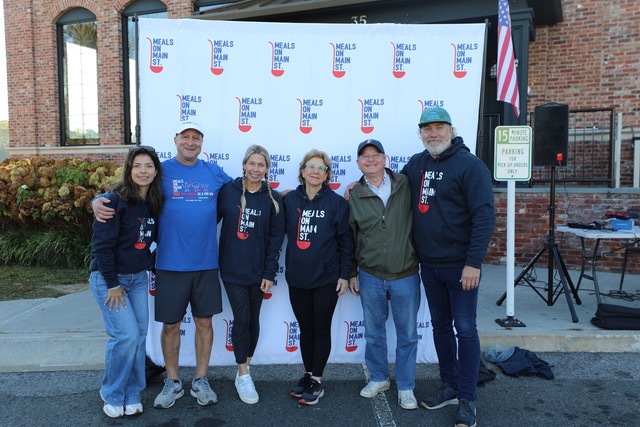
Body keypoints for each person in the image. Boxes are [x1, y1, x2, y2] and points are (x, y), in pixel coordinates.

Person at [93, 121, 233, 410]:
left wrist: (278, 196)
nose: (191, 142)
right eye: (185, 137)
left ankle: (201, 379)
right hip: (169, 264)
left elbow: (245, 190)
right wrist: (97, 200)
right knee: (170, 326)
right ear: (176, 140)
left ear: (201, 142)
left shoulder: (213, 172)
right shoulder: (161, 171)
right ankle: (172, 382)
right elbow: (127, 191)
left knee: (204, 323)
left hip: (206, 263)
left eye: (196, 137)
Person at [401, 107, 495, 427]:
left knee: (465, 329)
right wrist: (355, 187)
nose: (433, 133)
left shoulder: (471, 166)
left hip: (461, 267)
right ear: (420, 134)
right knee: (440, 326)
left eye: (439, 127)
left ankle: (468, 399)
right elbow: (390, 187)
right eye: (427, 129)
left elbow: (484, 217)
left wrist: (473, 263)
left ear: (451, 130)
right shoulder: (417, 164)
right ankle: (450, 386)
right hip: (429, 266)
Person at [90, 145, 164, 418]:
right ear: (128, 169)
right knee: (125, 336)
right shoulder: (113, 201)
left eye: (148, 166)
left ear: (156, 171)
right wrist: (112, 284)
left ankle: (132, 392)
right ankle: (111, 392)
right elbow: (101, 248)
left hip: (138, 280)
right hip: (110, 280)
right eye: (137, 166)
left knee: (139, 337)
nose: (143, 172)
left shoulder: (154, 201)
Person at [347, 139, 421, 410]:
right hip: (370, 275)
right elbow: (351, 237)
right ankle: (379, 378)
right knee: (374, 332)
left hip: (406, 273)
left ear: (385, 158)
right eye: (364, 157)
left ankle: (406, 386)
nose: (370, 160)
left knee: (408, 334)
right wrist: (352, 272)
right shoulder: (354, 194)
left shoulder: (405, 184)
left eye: (375, 155)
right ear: (358, 164)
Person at [283, 149, 354, 406]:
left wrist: (345, 275)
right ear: (302, 171)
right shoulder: (290, 201)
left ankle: (318, 381)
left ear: (327, 175)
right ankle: (307, 374)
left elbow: (347, 242)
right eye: (310, 166)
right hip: (297, 278)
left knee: (321, 329)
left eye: (321, 168)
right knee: (306, 328)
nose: (315, 171)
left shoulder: (337, 203)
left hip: (326, 278)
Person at [217, 145, 285, 404]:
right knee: (242, 317)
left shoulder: (273, 198)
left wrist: (269, 272)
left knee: (253, 319)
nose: (256, 169)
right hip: (232, 269)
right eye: (252, 163)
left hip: (260, 273)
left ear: (267, 169)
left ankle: (244, 367)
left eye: (261, 165)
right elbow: (206, 219)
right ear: (244, 164)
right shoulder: (228, 192)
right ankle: (243, 374)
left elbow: (276, 239)